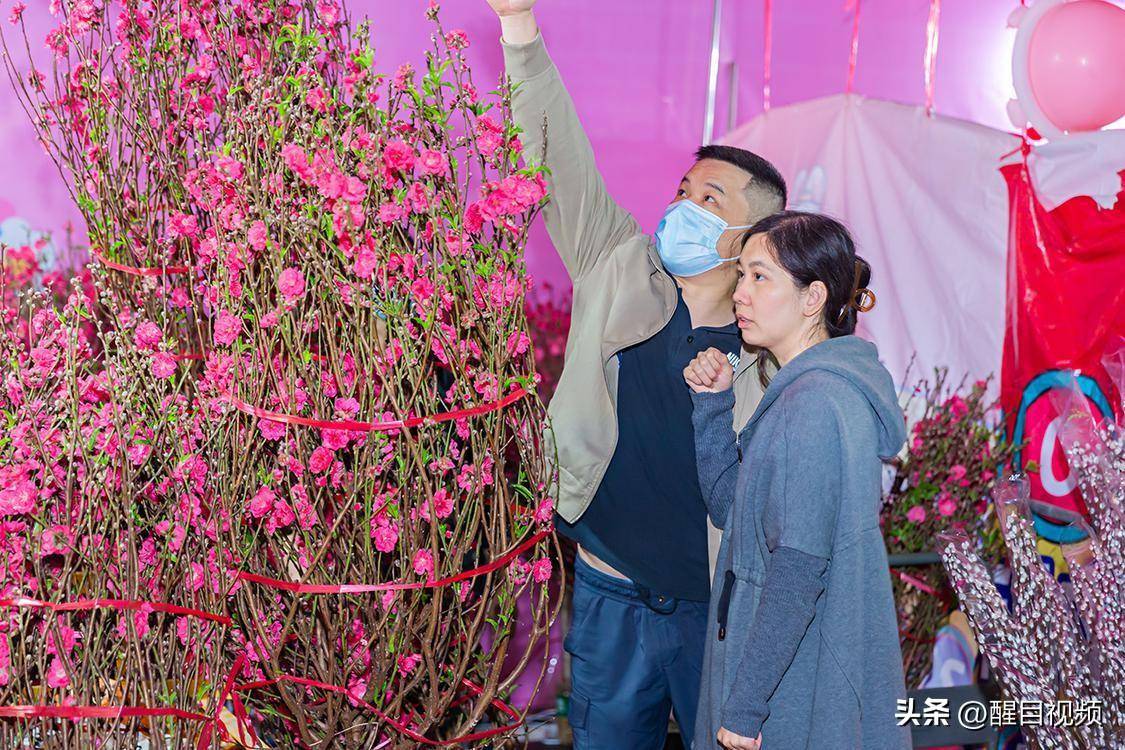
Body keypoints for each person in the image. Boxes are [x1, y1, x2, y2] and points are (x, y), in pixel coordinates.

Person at [486, 1, 787, 747]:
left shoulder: (773, 347)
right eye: (684, 190)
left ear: (750, 236)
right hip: (609, 595)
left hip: (718, 615)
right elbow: (555, 153)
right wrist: (519, 27)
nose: (683, 205)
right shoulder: (615, 265)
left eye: (708, 199)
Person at [684, 211, 911, 750]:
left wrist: (744, 708)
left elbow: (798, 569)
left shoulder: (814, 404)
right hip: (784, 673)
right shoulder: (803, 393)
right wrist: (713, 406)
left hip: (791, 687)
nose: (740, 293)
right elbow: (731, 512)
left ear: (812, 299)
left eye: (760, 277)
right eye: (741, 276)